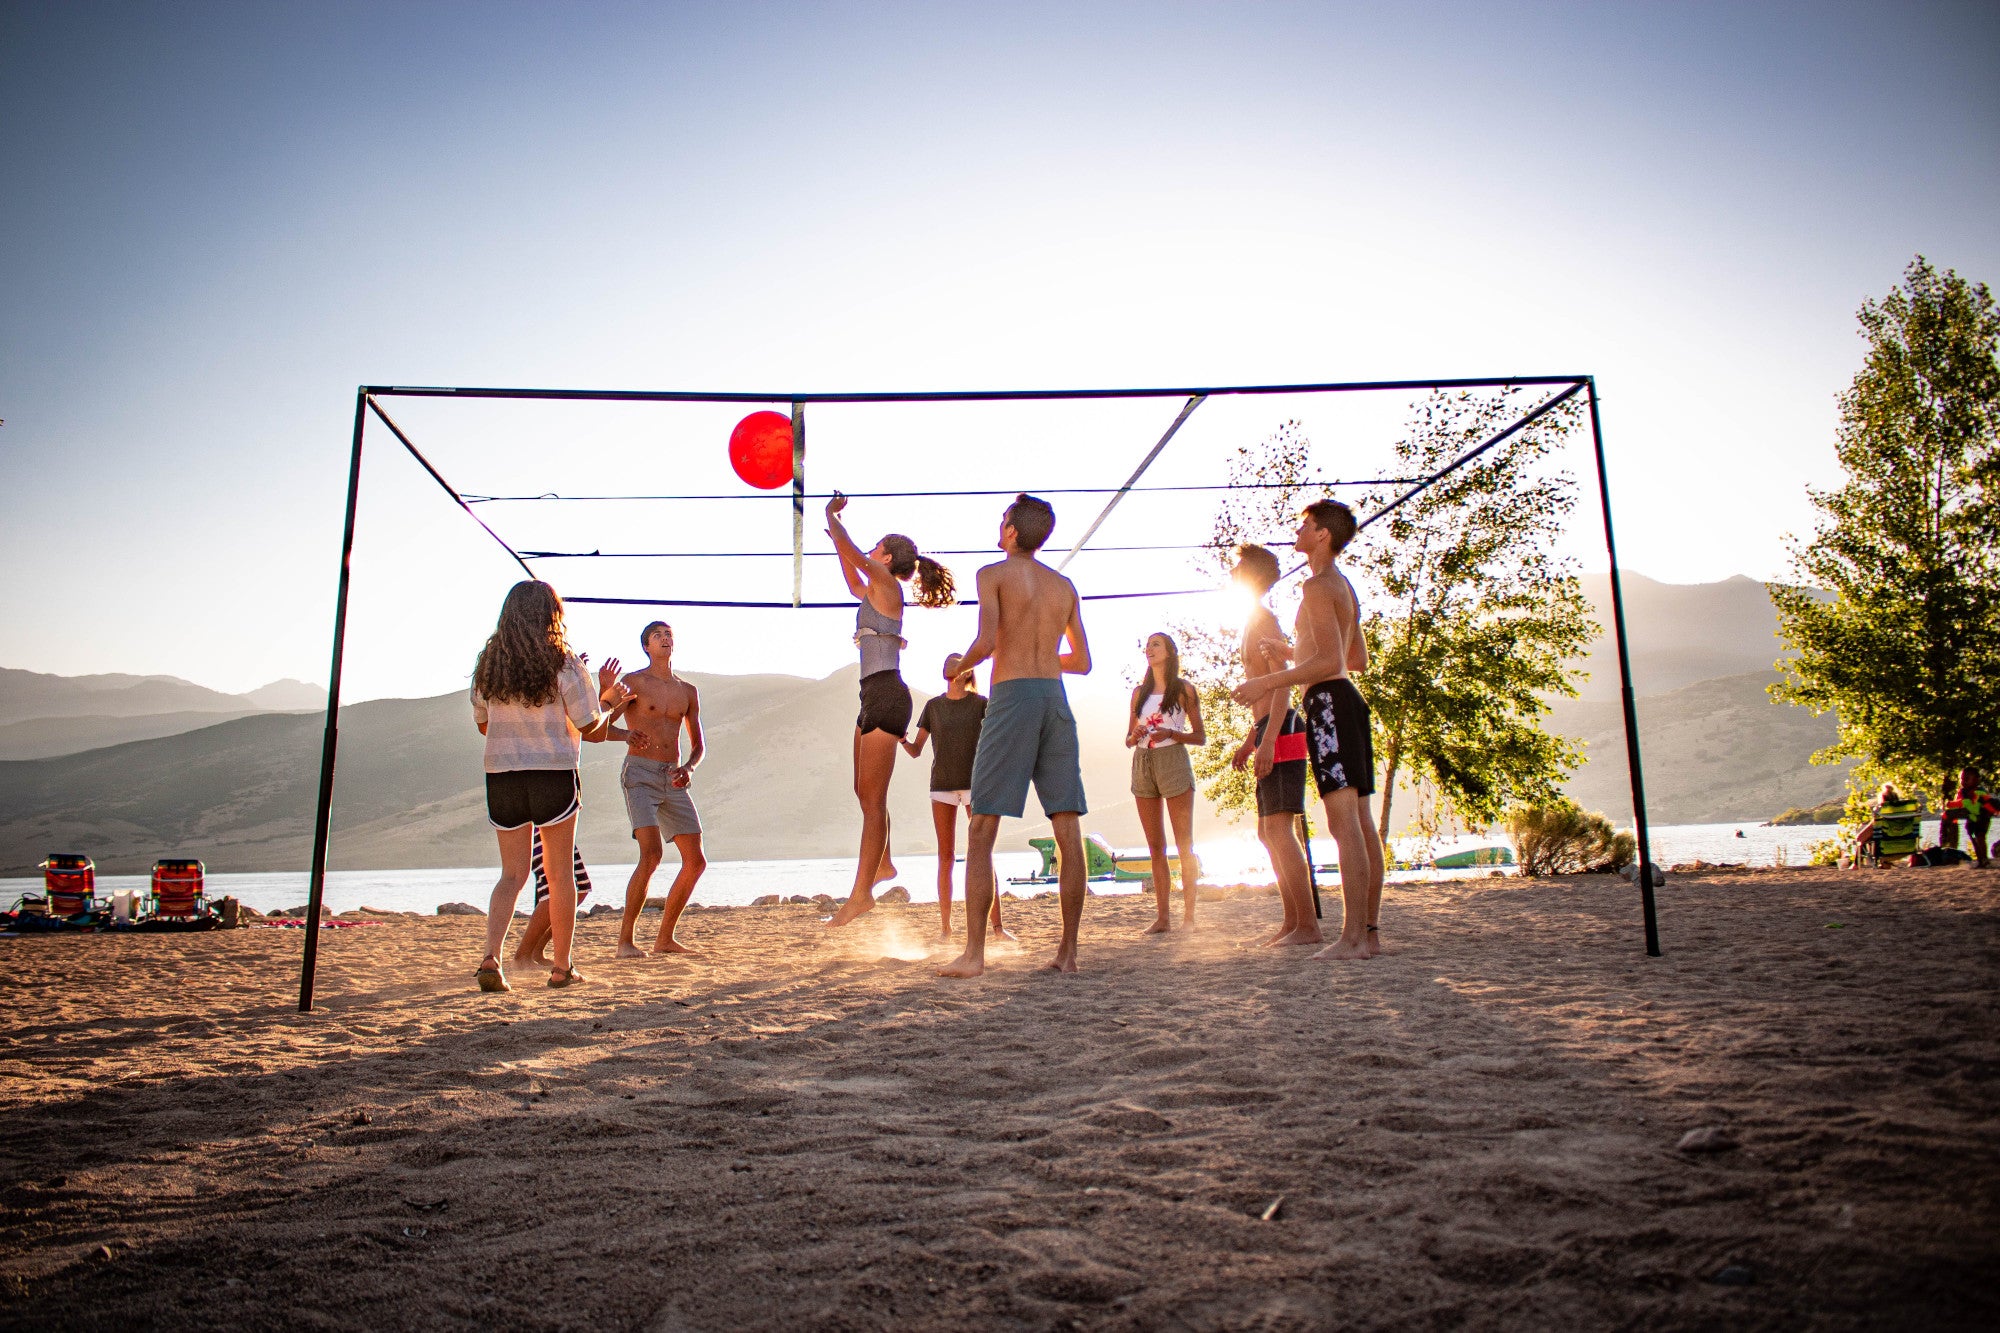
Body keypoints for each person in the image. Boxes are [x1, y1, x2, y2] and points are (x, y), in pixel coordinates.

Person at [939, 493, 1093, 977]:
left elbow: (986, 642)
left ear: (1010, 532)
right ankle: (1067, 955)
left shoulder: (993, 574)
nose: (1000, 526)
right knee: (1067, 828)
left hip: (1012, 700)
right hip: (1055, 699)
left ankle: (974, 955)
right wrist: (1043, 656)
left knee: (982, 827)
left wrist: (958, 669)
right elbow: (1083, 662)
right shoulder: (1064, 586)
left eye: (1002, 520)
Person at [1233, 499, 1384, 961]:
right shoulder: (1342, 586)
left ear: (1322, 535)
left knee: (1345, 826)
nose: (1298, 531)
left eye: (1305, 525)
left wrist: (1268, 677)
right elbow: (1353, 660)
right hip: (1346, 701)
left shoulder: (1318, 586)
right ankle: (1369, 935)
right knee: (1358, 822)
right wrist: (1291, 651)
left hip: (1330, 705)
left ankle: (1353, 938)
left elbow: (1332, 663)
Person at [470, 580, 630, 991]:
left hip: (502, 776)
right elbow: (591, 729)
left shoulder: (489, 665)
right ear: (551, 615)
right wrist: (610, 700)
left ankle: (491, 957)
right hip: (552, 774)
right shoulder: (565, 663)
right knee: (560, 877)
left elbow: (483, 724)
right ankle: (562, 967)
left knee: (512, 874)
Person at [823, 492, 957, 928]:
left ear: (886, 555)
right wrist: (839, 543)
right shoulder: (876, 588)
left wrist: (833, 519)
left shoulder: (888, 584)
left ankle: (861, 895)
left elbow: (856, 560)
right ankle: (885, 863)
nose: (871, 552)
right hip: (871, 696)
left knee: (873, 800)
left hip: (886, 696)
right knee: (863, 794)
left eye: (876, 547)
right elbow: (851, 579)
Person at [1226, 543, 1319, 946]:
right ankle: (1291, 921)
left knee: (1280, 828)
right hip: (1266, 727)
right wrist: (1251, 740)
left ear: (1251, 575)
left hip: (1282, 727)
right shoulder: (1250, 620)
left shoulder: (1265, 620)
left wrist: (1269, 742)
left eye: (1238, 567)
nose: (1232, 572)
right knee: (1268, 832)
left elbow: (1283, 685)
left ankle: (1308, 927)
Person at [610, 621, 708, 957]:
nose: (665, 639)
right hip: (639, 773)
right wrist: (625, 735)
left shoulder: (687, 691)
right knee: (651, 854)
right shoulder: (634, 683)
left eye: (668, 634)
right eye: (657, 635)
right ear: (646, 646)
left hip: (673, 776)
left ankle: (665, 939)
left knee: (695, 861)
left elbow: (698, 745)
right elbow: (599, 724)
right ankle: (625, 941)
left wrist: (689, 768)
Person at [903, 652, 1009, 941]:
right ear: (945, 672)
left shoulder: (981, 704)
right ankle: (945, 929)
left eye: (960, 661)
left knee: (982, 854)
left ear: (968, 671)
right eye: (949, 661)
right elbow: (916, 750)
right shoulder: (933, 707)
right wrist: (900, 738)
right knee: (945, 857)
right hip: (942, 786)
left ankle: (998, 928)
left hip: (976, 785)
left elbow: (999, 738)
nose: (953, 663)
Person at [1126, 631, 1206, 933]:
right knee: (1155, 847)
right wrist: (1134, 737)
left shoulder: (1184, 689)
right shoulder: (1138, 693)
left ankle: (1189, 917)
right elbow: (1128, 738)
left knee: (1184, 844)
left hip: (1173, 760)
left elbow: (1200, 736)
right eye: (1147, 646)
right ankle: (1162, 918)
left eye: (1155, 644)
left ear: (1170, 652)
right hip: (1143, 763)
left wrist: (1172, 734)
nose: (1149, 649)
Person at [513, 829, 595, 967]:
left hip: (558, 824)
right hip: (544, 824)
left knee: (581, 887)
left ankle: (536, 950)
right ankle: (523, 955)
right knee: (554, 892)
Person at [1851, 782, 1923, 867]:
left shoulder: (1881, 818)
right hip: (1907, 849)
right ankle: (1885, 863)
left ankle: (1856, 865)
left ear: (1882, 803)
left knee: (1866, 837)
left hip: (1885, 851)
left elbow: (1859, 838)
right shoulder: (1907, 817)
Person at [1941, 767, 1996, 868]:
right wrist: (1951, 810)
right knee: (1973, 838)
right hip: (1970, 818)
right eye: (1961, 779)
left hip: (1982, 818)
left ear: (1976, 780)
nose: (1963, 782)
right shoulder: (1962, 792)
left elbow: (1988, 803)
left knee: (1980, 836)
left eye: (1966, 779)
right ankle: (1980, 860)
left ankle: (1984, 859)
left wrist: (1990, 808)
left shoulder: (1981, 791)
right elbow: (1959, 804)